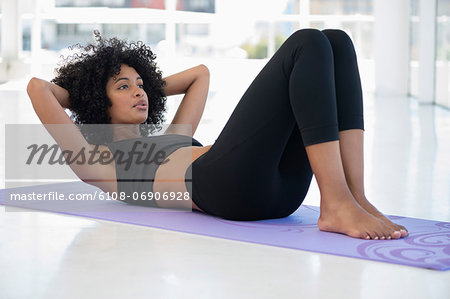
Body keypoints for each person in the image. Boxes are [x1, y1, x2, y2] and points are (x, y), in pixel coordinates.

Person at [27, 29, 408, 240]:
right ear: (98, 102)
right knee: (305, 44)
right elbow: (37, 88)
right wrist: (89, 90)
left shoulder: (174, 136)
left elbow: (200, 74)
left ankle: (355, 198)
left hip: (280, 193)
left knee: (336, 41)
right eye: (123, 87)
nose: (139, 91)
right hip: (227, 188)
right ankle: (337, 203)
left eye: (140, 84)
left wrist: (141, 84)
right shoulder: (98, 163)